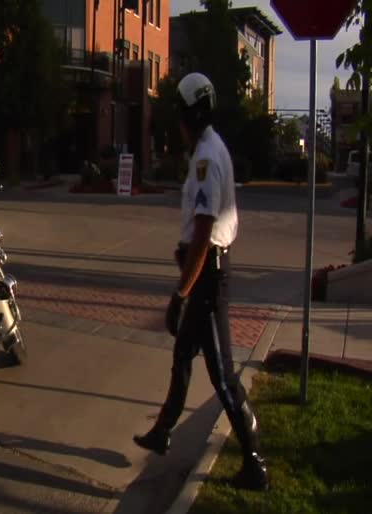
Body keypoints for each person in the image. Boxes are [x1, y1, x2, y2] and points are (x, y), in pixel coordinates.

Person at [133, 72, 269, 491]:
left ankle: (254, 462)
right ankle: (162, 431)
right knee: (182, 355)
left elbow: (205, 231)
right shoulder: (205, 151)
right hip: (202, 273)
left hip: (207, 278)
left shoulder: (208, 157)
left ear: (188, 114)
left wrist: (182, 292)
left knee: (223, 376)